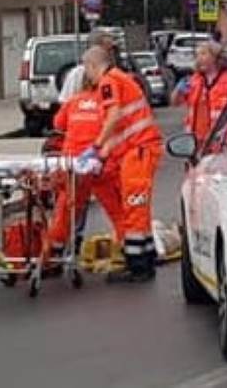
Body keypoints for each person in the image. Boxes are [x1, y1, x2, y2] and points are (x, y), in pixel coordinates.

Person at [80, 47, 163, 282]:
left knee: (133, 208)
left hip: (138, 151)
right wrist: (103, 153)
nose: (88, 75)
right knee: (138, 208)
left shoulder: (108, 82)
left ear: (94, 65)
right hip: (138, 150)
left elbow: (113, 117)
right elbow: (121, 128)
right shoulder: (120, 79)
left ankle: (137, 266)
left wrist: (96, 146)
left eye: (87, 69)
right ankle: (145, 257)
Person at [45, 76, 126, 261]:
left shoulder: (73, 101)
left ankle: (54, 252)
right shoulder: (107, 103)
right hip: (99, 163)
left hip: (74, 163)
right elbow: (116, 127)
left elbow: (58, 124)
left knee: (66, 210)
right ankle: (128, 249)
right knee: (117, 210)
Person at [171, 41, 227, 145]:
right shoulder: (193, 81)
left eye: (203, 54)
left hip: (221, 141)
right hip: (196, 142)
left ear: (216, 57)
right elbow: (175, 102)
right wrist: (179, 90)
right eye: (197, 55)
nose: (199, 58)